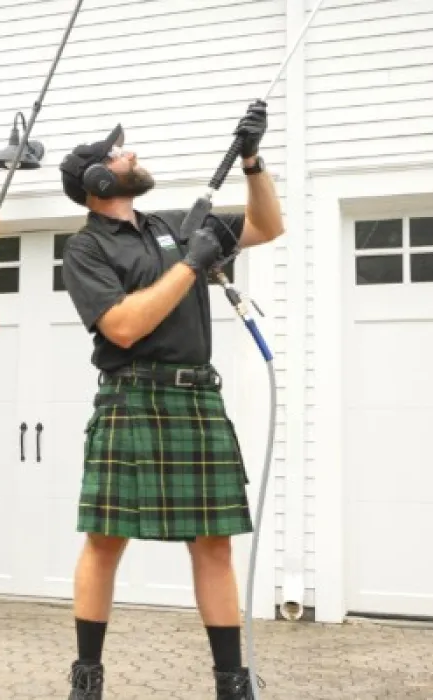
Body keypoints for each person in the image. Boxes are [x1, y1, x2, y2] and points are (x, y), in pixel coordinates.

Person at [58, 100, 285, 699]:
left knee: (214, 542)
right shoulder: (85, 250)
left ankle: (231, 682)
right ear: (99, 180)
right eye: (117, 152)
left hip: (193, 399)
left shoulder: (176, 223)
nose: (129, 153)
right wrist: (191, 264)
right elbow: (124, 327)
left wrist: (253, 161)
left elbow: (268, 226)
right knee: (105, 539)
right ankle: (87, 678)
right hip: (130, 398)